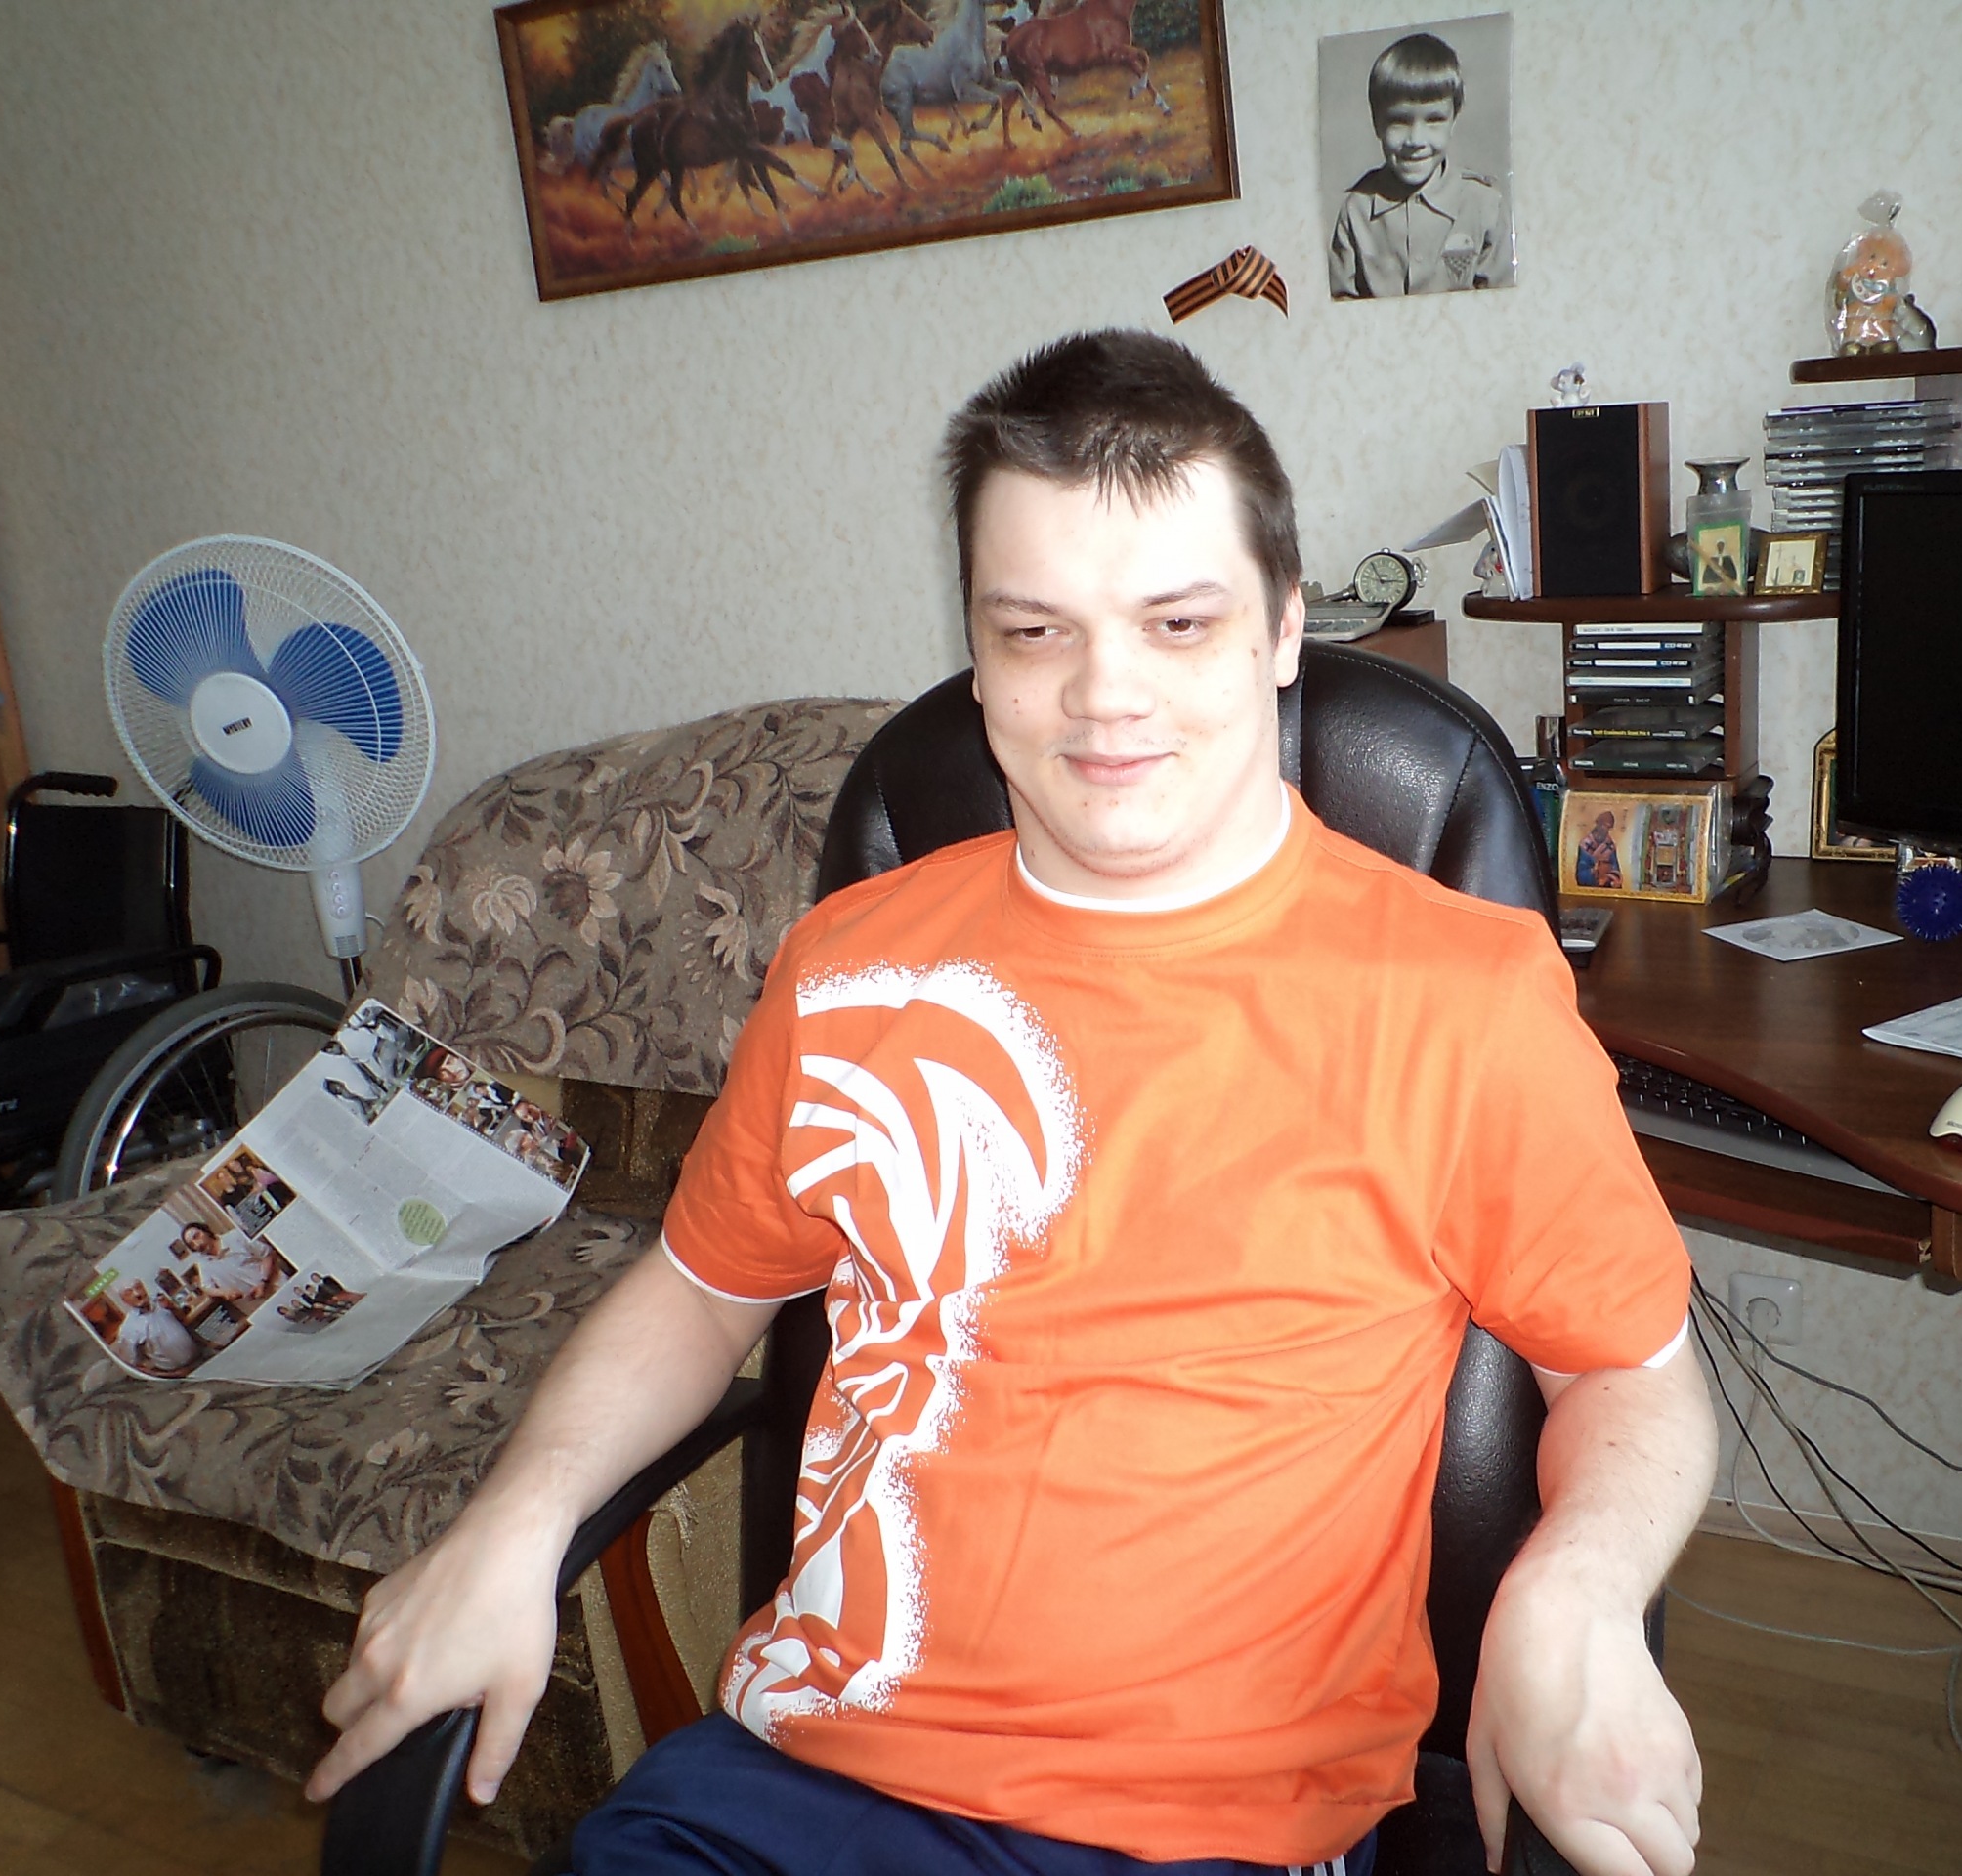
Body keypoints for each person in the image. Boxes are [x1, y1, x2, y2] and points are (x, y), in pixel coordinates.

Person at [307, 331, 1714, 1876]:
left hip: (1201, 1829)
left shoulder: (1458, 993)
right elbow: (701, 1293)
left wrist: (1576, 1596)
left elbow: (1631, 1371)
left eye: (1178, 623)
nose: (1103, 697)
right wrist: (512, 1525)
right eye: (1035, 631)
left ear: (1282, 630)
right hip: (782, 1788)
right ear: (976, 651)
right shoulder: (848, 964)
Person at [1329, 32, 1511, 299]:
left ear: (1453, 121)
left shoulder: (1485, 206)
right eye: (1399, 121)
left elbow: (1505, 306)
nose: (1415, 140)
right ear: (1376, 123)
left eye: (1434, 120)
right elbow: (1339, 306)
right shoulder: (1356, 212)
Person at [110, 1278, 201, 1377]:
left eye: (138, 1287)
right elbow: (132, 1367)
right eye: (129, 1293)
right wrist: (170, 1375)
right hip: (179, 1374)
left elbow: (183, 1320)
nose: (137, 1294)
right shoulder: (128, 1328)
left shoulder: (160, 1301)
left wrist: (171, 1307)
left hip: (200, 1358)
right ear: (124, 1301)